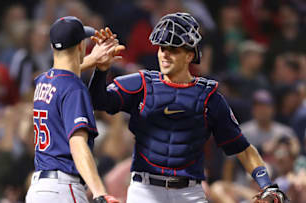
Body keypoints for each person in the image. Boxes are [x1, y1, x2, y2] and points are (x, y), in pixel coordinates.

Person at [88, 12, 287, 203]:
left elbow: (242, 148)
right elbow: (98, 101)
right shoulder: (141, 84)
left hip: (189, 192)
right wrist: (101, 70)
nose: (165, 55)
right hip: (145, 190)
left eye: (173, 49)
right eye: (161, 48)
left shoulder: (208, 97)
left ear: (190, 55)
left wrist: (266, 184)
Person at [25, 16, 121, 203]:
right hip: (63, 188)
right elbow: (77, 144)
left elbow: (64, 73)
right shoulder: (74, 88)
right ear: (80, 47)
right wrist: (100, 191)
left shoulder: (43, 81)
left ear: (53, 47)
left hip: (38, 190)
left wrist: (95, 63)